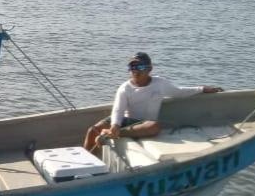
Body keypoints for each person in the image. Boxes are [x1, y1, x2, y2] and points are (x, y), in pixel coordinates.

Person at [83, 52, 223, 153]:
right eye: (133, 67)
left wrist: (203, 89)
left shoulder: (160, 83)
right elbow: (118, 110)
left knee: (155, 126)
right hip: (127, 121)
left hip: (146, 123)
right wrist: (115, 125)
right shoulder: (124, 88)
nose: (136, 71)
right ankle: (88, 163)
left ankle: (116, 134)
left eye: (141, 67)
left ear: (150, 69)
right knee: (92, 131)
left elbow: (179, 92)